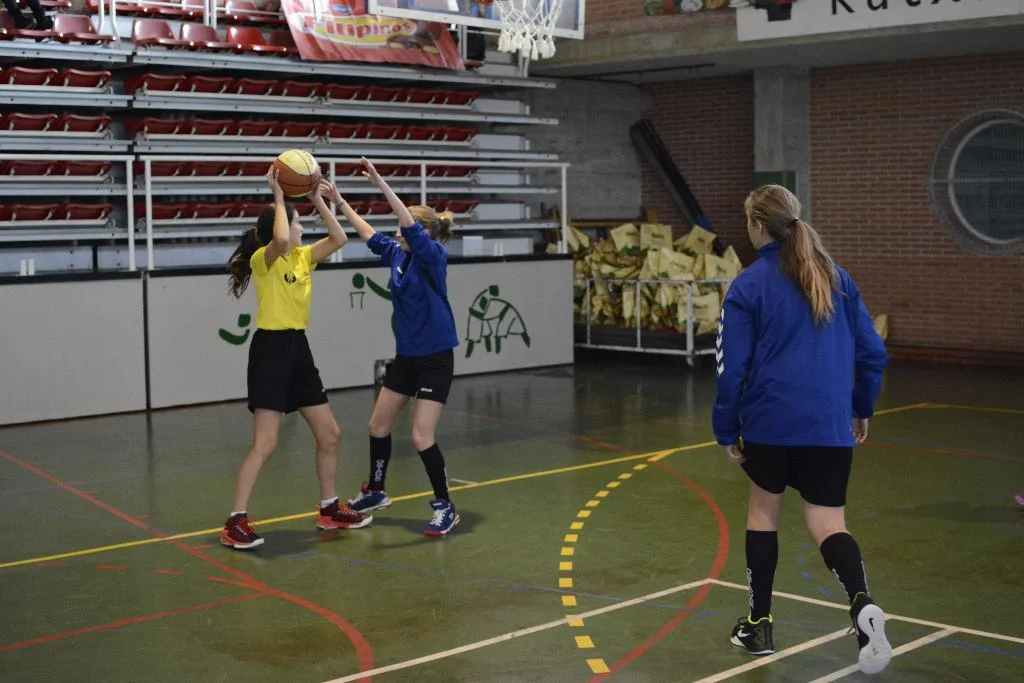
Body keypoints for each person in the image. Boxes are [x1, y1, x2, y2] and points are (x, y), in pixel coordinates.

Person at [712, 185, 892, 674]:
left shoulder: (748, 285)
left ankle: (759, 625)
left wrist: (726, 426)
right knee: (829, 523)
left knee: (763, 513)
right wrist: (860, 408)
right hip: (828, 425)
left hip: (769, 422)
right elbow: (873, 353)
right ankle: (862, 604)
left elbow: (731, 368)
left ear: (757, 226)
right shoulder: (837, 277)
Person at [220, 168, 371, 550]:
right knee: (266, 443)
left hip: (298, 349)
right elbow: (282, 237)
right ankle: (234, 522)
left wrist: (317, 198)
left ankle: (329, 508)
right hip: (270, 351)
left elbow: (339, 238)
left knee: (330, 433)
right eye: (298, 221)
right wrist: (280, 196)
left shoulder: (304, 258)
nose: (302, 227)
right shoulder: (264, 259)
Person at [339, 157, 461, 537]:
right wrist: (337, 200)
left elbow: (407, 223)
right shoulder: (398, 254)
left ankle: (445, 506)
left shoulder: (433, 257)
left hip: (435, 359)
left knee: (422, 436)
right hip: (407, 358)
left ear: (420, 231)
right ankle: (376, 491)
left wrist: (380, 182)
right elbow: (368, 234)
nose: (397, 231)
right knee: (378, 425)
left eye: (404, 226)